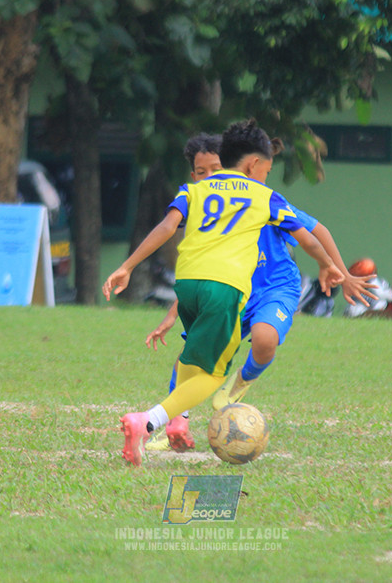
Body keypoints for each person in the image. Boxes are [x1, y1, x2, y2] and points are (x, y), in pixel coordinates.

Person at [102, 119, 345, 466]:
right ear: (253, 165)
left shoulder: (193, 190)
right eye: (267, 169)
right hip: (224, 288)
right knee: (213, 374)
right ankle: (148, 421)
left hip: (187, 284)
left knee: (191, 358)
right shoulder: (263, 196)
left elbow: (167, 227)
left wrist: (127, 266)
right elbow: (307, 238)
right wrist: (326, 265)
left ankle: (177, 422)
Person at [143, 134, 375, 452]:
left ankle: (242, 379)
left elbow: (316, 231)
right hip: (231, 291)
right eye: (201, 172)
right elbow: (198, 270)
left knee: (265, 339)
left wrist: (341, 273)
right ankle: (175, 425)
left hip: (275, 287)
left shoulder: (264, 199)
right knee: (190, 358)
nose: (210, 178)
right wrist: (173, 315)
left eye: (215, 169)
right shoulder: (204, 212)